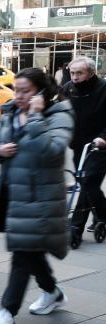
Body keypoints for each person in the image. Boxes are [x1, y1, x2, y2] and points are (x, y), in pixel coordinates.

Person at [0, 68, 74, 324]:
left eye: (25, 91)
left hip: (42, 198)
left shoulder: (59, 114)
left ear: (41, 91)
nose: (19, 96)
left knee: (22, 254)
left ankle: (6, 315)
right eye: (16, 90)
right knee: (30, 251)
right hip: (14, 196)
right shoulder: (10, 112)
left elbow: (51, 151)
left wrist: (35, 116)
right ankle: (53, 292)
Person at [60, 56, 106, 246]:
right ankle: (103, 215)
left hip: (100, 146)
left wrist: (104, 137)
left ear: (91, 72)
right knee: (89, 184)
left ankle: (75, 228)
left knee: (87, 182)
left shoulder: (104, 88)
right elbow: (58, 110)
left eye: (80, 73)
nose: (75, 76)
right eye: (72, 72)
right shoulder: (68, 88)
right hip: (80, 145)